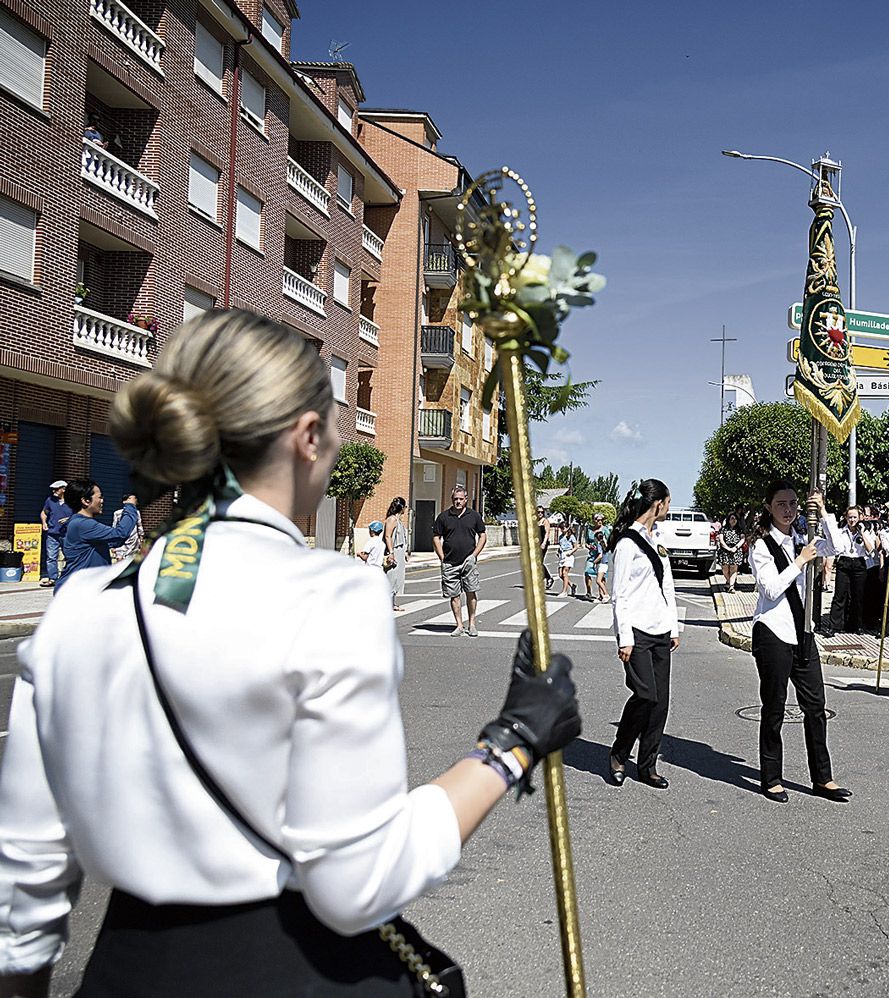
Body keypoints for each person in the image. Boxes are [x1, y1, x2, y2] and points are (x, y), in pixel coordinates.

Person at [0, 309, 581, 995]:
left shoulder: (83, 605)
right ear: (307, 436)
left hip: (122, 970)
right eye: (334, 424)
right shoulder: (333, 597)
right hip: (280, 969)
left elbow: (26, 874)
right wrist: (513, 741)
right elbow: (358, 882)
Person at [750, 482, 854, 803]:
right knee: (775, 708)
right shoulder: (762, 546)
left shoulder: (803, 537)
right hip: (773, 633)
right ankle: (771, 778)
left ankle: (823, 778)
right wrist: (799, 561)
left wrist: (822, 511)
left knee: (816, 707)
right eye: (781, 504)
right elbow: (769, 589)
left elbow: (837, 547)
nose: (788, 509)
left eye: (794, 503)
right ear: (769, 507)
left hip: (803, 632)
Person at [608, 479, 681, 789]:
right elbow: (619, 594)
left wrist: (674, 627)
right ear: (658, 504)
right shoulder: (627, 544)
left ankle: (647, 765)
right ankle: (619, 753)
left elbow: (667, 587)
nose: (668, 507)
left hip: (661, 631)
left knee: (660, 703)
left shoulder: (656, 540)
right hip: (636, 632)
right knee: (645, 695)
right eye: (667, 502)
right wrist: (624, 637)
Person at [57, 480, 140, 591]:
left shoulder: (77, 522)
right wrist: (130, 506)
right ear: (86, 501)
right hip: (78, 590)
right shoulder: (83, 524)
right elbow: (120, 534)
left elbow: (114, 541)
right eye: (99, 497)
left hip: (84, 587)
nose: (102, 501)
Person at [433, 485, 485, 637]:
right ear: (452, 500)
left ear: (466, 500)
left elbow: (482, 536)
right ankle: (459, 625)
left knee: (471, 592)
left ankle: (472, 624)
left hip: (468, 562)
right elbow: (436, 537)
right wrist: (442, 557)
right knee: (454, 595)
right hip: (450, 563)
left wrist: (474, 555)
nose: (458, 502)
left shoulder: (474, 516)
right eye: (455, 499)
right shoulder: (443, 517)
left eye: (461, 499)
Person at [822, 505, 876, 637]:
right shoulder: (841, 531)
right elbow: (837, 548)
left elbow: (871, 550)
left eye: (855, 517)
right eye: (850, 517)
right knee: (840, 595)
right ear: (846, 517)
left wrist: (862, 533)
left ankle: (856, 625)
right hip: (844, 562)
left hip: (859, 563)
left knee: (858, 596)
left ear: (860, 518)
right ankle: (834, 626)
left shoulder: (866, 531)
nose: (852, 520)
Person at [39, 481, 70, 587]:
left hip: (67, 534)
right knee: (51, 557)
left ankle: (67, 578)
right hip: (52, 533)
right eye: (53, 489)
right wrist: (44, 523)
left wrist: (68, 519)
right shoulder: (50, 500)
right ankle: (52, 579)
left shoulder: (72, 501)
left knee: (69, 556)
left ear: (64, 489)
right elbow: (44, 512)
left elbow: (80, 515)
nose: (54, 491)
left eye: (56, 489)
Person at [385, 497, 409, 611]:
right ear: (401, 508)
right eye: (405, 507)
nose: (406, 509)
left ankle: (392, 603)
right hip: (393, 551)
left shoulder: (398, 520)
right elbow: (387, 536)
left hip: (399, 552)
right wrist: (391, 552)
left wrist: (404, 552)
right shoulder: (392, 520)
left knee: (397, 578)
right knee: (391, 577)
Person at [583, 511, 611, 602]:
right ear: (593, 520)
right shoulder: (589, 530)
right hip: (592, 555)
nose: (600, 521)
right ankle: (589, 592)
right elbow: (586, 542)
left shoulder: (605, 529)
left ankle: (602, 594)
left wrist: (605, 547)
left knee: (601, 576)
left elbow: (610, 541)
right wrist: (588, 546)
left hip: (601, 556)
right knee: (587, 572)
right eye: (598, 520)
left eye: (601, 520)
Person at [716, 511, 743, 592]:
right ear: (728, 520)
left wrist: (736, 547)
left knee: (733, 569)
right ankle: (728, 581)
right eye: (732, 518)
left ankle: (731, 586)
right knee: (725, 569)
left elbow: (742, 539)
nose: (733, 520)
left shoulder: (739, 530)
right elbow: (721, 540)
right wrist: (728, 548)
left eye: (735, 519)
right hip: (725, 551)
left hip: (736, 551)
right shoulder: (723, 529)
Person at [556, 524, 578, 597]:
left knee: (565, 573)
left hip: (568, 555)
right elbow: (560, 546)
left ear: (567, 528)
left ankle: (564, 591)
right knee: (560, 575)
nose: (562, 530)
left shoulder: (571, 536)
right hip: (562, 555)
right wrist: (558, 551)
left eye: (563, 528)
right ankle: (572, 585)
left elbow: (575, 547)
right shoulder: (560, 537)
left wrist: (570, 552)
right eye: (561, 528)